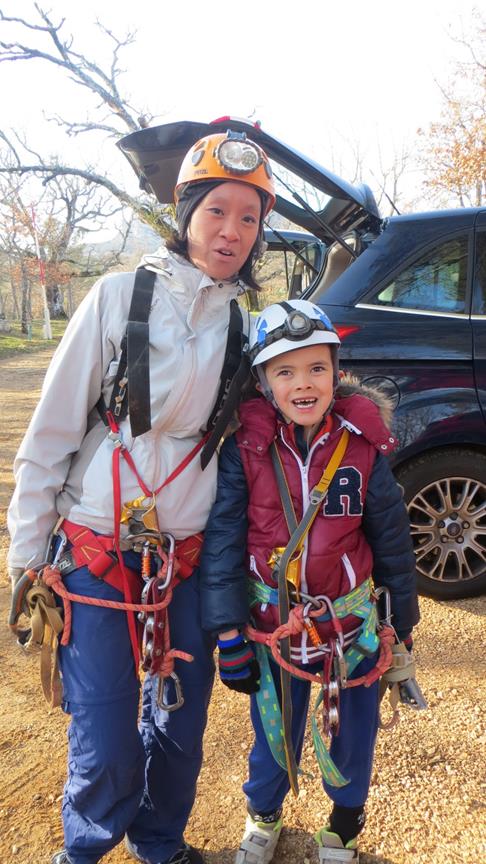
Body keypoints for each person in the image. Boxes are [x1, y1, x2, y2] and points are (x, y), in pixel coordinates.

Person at [7, 129, 276, 864]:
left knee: (184, 727)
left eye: (249, 218)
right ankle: (87, 849)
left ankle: (161, 843)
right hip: (95, 551)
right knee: (105, 726)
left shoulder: (241, 327)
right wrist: (28, 557)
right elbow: (52, 429)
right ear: (185, 209)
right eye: (217, 210)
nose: (231, 232)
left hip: (185, 559)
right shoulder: (120, 297)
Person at [199, 299, 420, 864]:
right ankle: (264, 811)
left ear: (335, 372)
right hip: (273, 626)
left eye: (317, 368)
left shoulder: (363, 448)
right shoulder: (244, 451)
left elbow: (391, 538)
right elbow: (224, 539)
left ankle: (345, 821)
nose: (304, 384)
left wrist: (401, 625)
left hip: (348, 630)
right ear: (262, 380)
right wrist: (226, 632)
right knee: (273, 728)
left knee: (352, 730)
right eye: (286, 371)